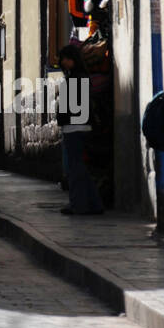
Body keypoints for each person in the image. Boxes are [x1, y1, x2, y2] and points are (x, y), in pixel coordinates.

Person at [57, 44, 104, 215]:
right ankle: (94, 204)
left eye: (64, 59)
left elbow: (69, 107)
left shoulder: (74, 79)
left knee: (75, 169)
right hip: (82, 127)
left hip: (74, 128)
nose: (62, 62)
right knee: (81, 168)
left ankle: (79, 205)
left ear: (71, 59)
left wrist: (61, 120)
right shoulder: (83, 77)